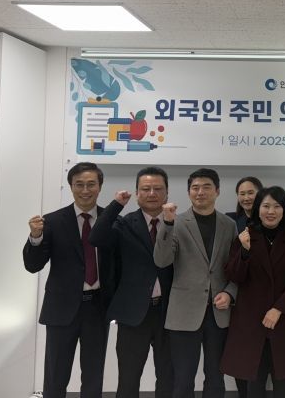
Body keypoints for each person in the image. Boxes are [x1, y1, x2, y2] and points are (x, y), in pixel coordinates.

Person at [23, 162, 116, 398]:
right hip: (61, 309)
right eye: (79, 184)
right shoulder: (52, 221)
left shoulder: (112, 220)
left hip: (98, 308)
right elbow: (33, 265)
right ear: (71, 186)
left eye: (91, 184)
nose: (85, 190)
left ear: (100, 186)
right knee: (56, 374)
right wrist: (35, 237)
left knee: (94, 374)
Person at [89, 166, 174, 398]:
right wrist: (116, 204)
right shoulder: (124, 223)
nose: (152, 193)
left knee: (168, 378)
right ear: (137, 193)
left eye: (158, 188)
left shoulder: (176, 223)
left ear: (167, 192)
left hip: (169, 313)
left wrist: (170, 222)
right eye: (145, 189)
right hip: (133, 314)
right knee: (128, 379)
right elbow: (96, 238)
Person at [153, 168, 238, 398]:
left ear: (217, 191)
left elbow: (236, 268)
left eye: (206, 187)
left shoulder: (229, 224)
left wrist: (230, 293)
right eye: (195, 188)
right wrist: (167, 224)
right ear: (189, 192)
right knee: (182, 379)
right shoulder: (176, 222)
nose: (200, 192)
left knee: (216, 378)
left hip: (218, 313)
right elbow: (162, 260)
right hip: (184, 313)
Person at [221, 186, 285, 397]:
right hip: (251, 320)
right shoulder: (245, 237)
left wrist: (278, 308)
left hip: (284, 320)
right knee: (254, 381)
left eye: (277, 206)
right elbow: (234, 276)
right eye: (266, 206)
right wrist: (244, 251)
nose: (271, 211)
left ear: (284, 210)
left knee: (283, 382)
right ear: (257, 209)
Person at [226, 175, 262, 398]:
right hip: (237, 297)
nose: (247, 197)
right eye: (242, 193)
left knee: (261, 356)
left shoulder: (270, 219)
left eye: (251, 193)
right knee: (240, 355)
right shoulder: (231, 221)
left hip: (263, 297)